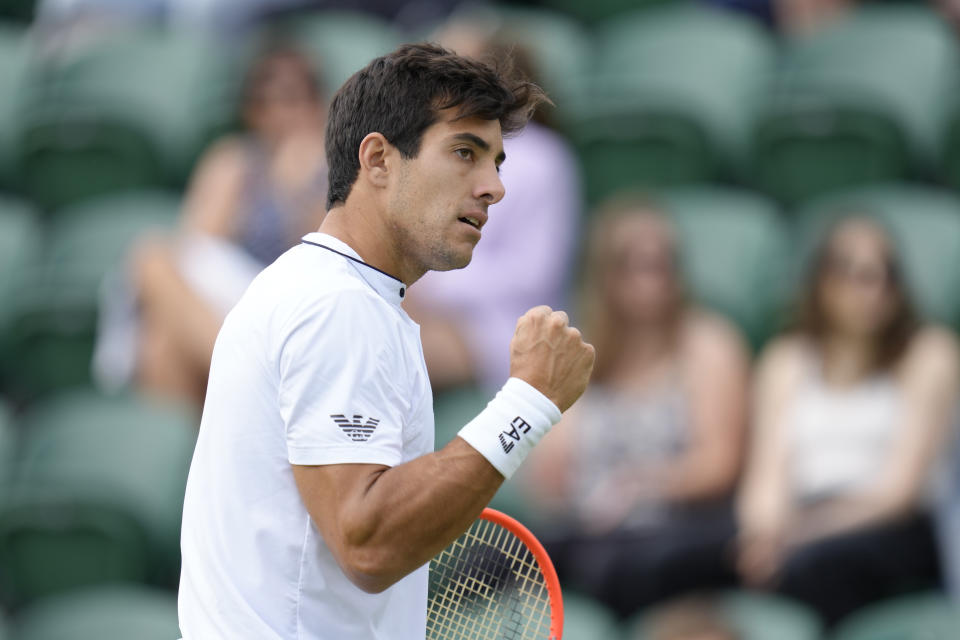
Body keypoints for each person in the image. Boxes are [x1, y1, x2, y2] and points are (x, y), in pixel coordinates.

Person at [177, 43, 596, 640]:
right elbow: (366, 541)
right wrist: (528, 401)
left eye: (496, 161)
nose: (494, 187)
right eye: (464, 153)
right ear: (377, 159)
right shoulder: (336, 305)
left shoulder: (331, 293)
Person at [523, 198, 749, 618]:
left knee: (616, 566)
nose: (655, 279)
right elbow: (550, 478)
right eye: (638, 265)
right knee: (498, 558)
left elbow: (720, 465)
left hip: (682, 528)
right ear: (607, 275)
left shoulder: (708, 343)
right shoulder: (583, 348)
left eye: (663, 264)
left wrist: (639, 486)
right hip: (592, 528)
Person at [737, 215, 959, 626]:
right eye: (855, 276)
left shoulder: (930, 353)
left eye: (884, 277)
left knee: (811, 568)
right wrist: (762, 535)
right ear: (821, 283)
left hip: (893, 529)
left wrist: (798, 534)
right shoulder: (786, 359)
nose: (872, 292)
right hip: (802, 520)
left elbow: (899, 492)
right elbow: (766, 476)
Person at [93, 44, 328, 407]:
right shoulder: (234, 160)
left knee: (153, 275)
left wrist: (294, 190)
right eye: (264, 102)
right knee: (160, 331)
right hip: (235, 308)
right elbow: (199, 246)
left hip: (292, 311)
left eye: (291, 99)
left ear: (315, 103)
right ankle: (215, 433)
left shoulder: (335, 166)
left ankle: (248, 383)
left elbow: (325, 259)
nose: (279, 113)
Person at [404, 26, 580, 392]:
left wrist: (433, 284)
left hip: (505, 326)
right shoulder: (443, 147)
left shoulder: (544, 158)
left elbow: (531, 274)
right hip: (431, 305)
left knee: (387, 347)